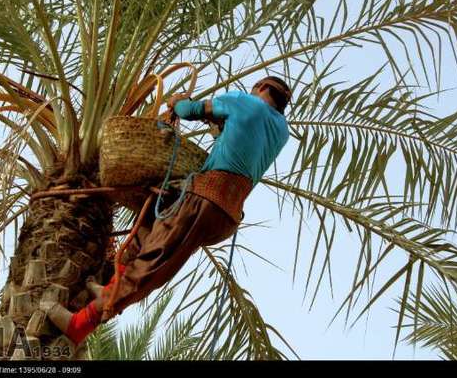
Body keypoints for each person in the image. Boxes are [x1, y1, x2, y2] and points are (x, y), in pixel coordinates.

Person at [42, 76, 292, 346]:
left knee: (151, 264)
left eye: (255, 87)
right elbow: (241, 140)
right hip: (225, 216)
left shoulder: (245, 101)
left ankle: (80, 324)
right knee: (150, 223)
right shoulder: (281, 131)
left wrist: (177, 102)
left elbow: (190, 110)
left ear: (262, 88)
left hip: (204, 201)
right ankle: (111, 287)